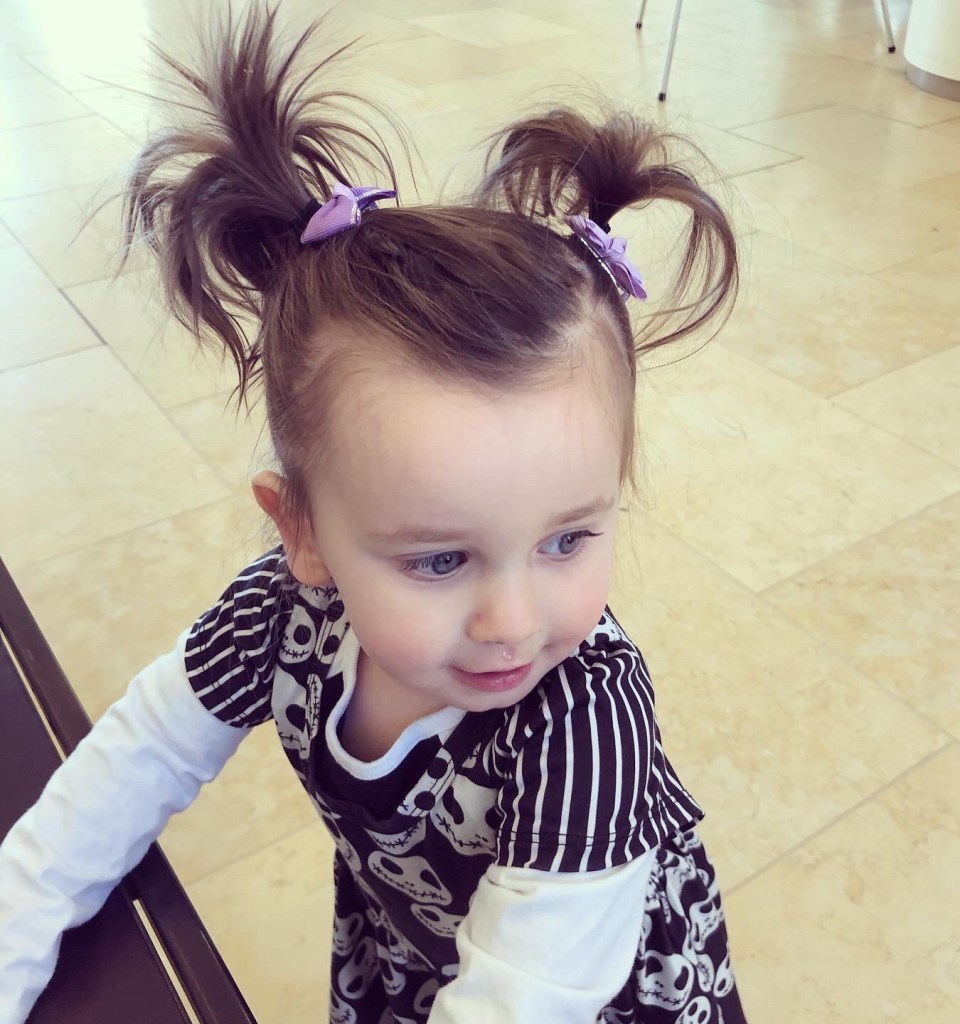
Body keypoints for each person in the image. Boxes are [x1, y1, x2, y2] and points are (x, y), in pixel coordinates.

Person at [0, 5, 745, 1023]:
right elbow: (143, 756)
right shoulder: (278, 612)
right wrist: (20, 918)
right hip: (412, 956)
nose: (513, 621)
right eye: (439, 560)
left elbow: (528, 995)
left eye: (568, 538)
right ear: (301, 531)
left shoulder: (583, 719)